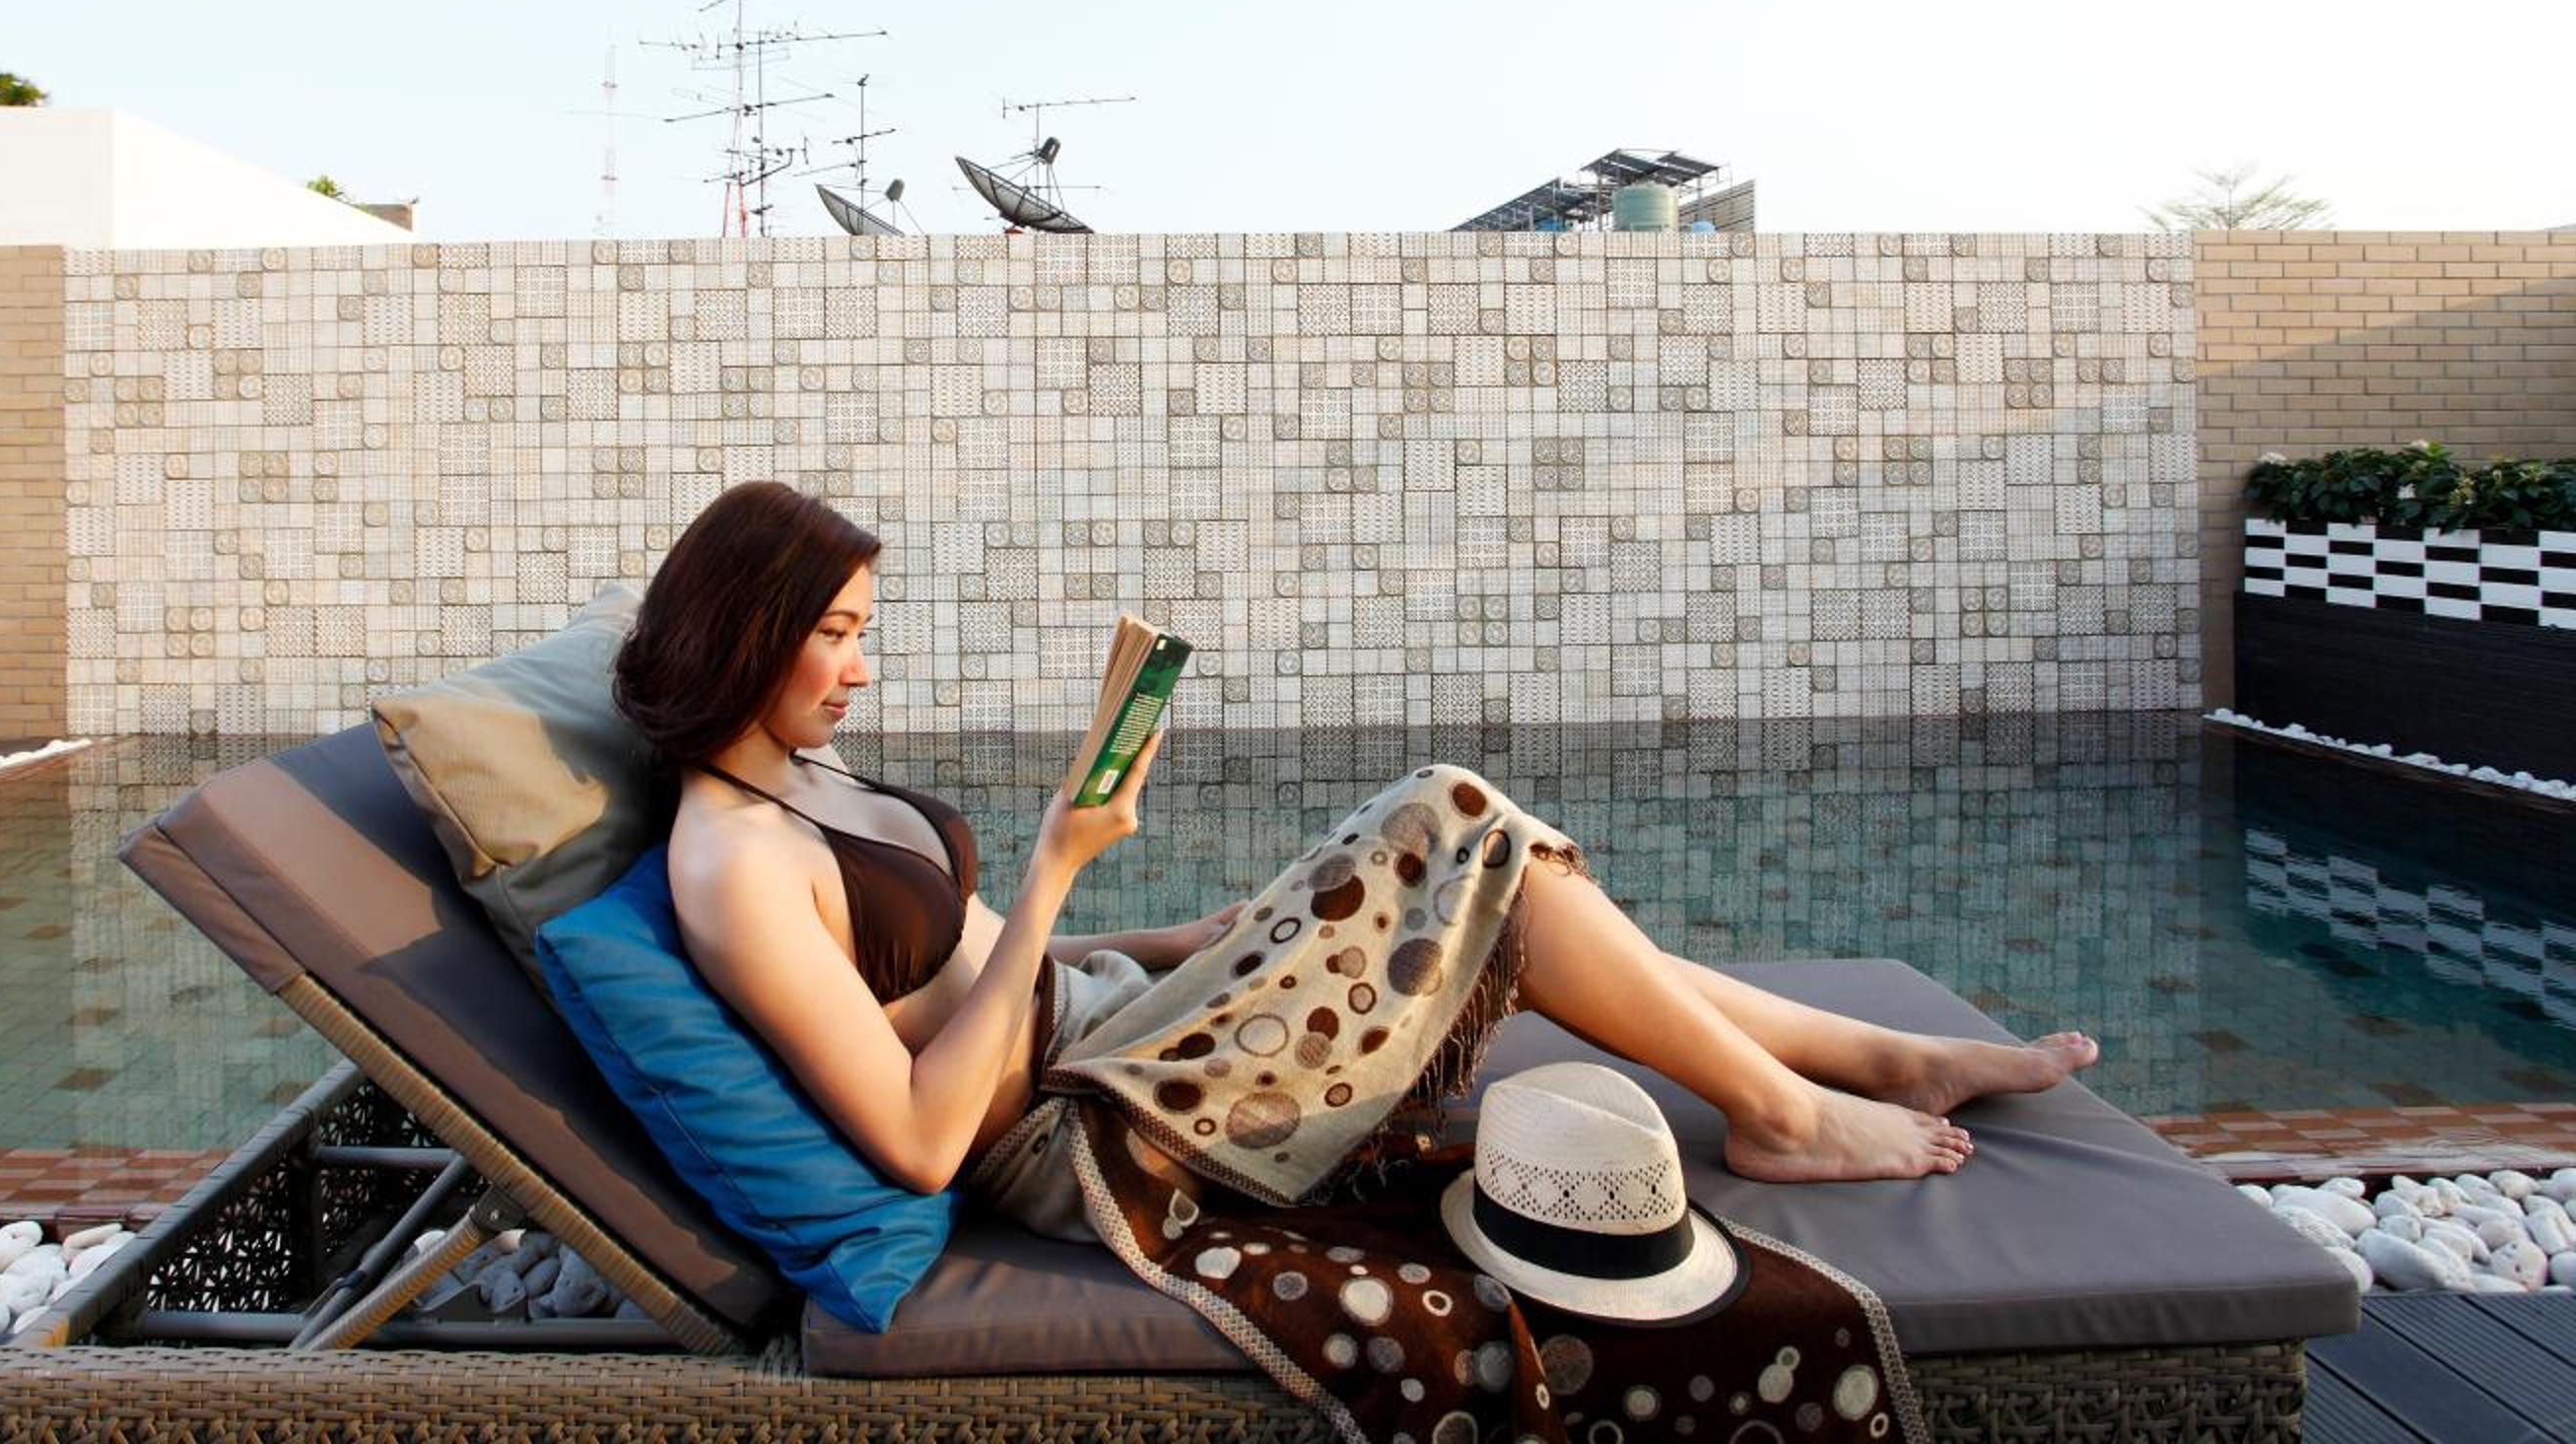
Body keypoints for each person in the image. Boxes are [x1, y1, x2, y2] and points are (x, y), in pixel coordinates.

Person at [611, 481, 2099, 1235]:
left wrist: (1183, 937)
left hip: (1120, 1020)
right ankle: (1787, 1110)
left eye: (863, 633)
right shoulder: (733, 867)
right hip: (1093, 1131)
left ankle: (1871, 1061)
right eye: (837, 635)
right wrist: (1059, 863)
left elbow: (979, 968)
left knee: (1469, 846)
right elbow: (923, 1139)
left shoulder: (799, 776)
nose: (862, 668)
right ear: (747, 630)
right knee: (1459, 828)